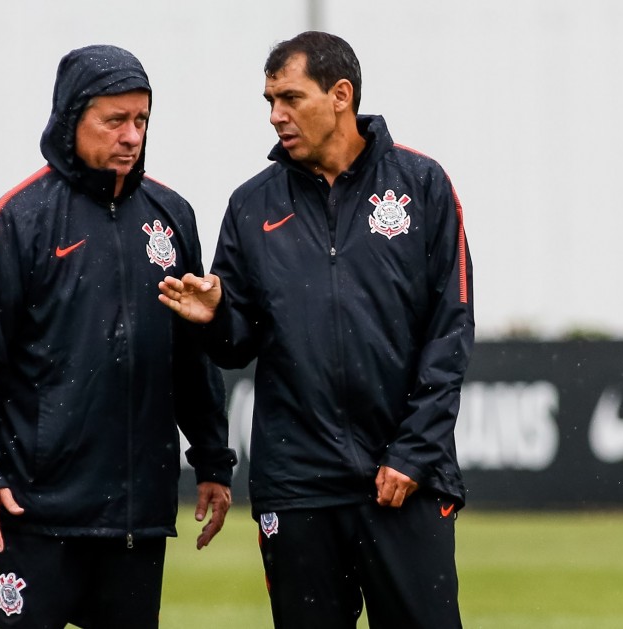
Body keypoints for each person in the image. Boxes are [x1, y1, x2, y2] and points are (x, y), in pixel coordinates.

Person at [158, 31, 474, 629]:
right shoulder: (251, 205)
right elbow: (238, 344)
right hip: (297, 486)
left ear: (340, 95)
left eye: (290, 98)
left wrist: (413, 452)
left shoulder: (422, 185)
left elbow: (449, 331)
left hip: (403, 480)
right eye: (269, 100)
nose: (276, 115)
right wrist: (213, 320)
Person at [0, 44, 236, 629]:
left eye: (142, 120)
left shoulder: (170, 214)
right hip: (33, 510)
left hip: (135, 516)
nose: (132, 135)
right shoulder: (18, 218)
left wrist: (212, 459)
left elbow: (189, 354)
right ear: (71, 118)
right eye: (115, 120)